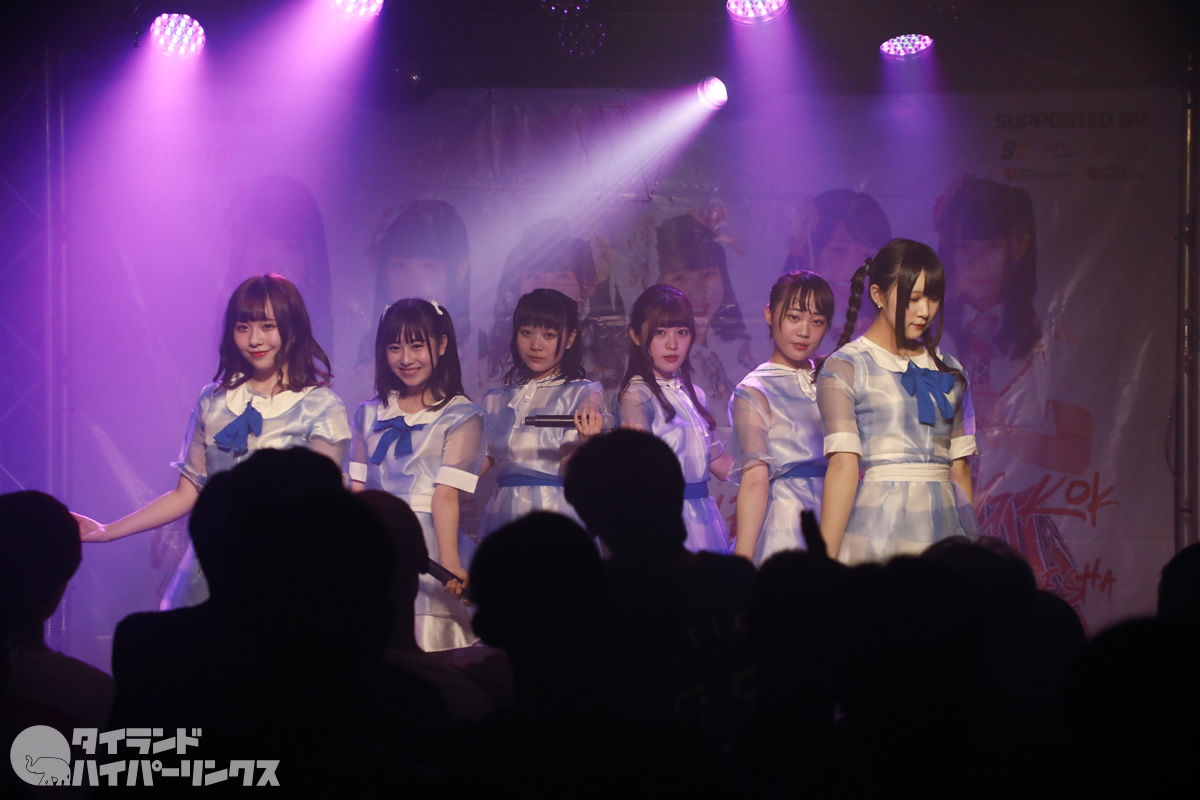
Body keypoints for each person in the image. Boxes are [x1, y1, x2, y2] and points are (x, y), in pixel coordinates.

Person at [72, 275, 350, 608]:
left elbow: (324, 509)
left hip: (284, 571)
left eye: (268, 326)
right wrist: (106, 531)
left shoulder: (321, 408)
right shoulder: (213, 401)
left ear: (293, 327)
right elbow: (187, 493)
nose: (255, 339)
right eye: (243, 327)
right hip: (212, 568)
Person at [817, 239, 979, 564]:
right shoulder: (846, 367)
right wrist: (823, 563)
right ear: (877, 295)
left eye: (933, 298)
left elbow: (959, 467)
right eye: (913, 298)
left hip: (946, 526)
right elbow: (843, 466)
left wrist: (973, 549)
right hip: (879, 525)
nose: (924, 311)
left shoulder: (950, 369)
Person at [349, 298, 485, 652]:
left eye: (416, 345)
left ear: (441, 344)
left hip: (429, 541)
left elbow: (445, 494)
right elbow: (357, 489)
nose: (406, 359)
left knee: (429, 652)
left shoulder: (462, 415)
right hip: (374, 542)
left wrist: (449, 562)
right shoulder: (367, 414)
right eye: (395, 347)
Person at [480, 289, 607, 539]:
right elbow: (472, 470)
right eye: (526, 332)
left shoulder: (583, 393)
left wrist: (586, 444)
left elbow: (572, 473)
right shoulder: (495, 400)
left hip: (556, 516)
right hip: (503, 516)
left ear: (570, 339)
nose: (535, 345)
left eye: (549, 335)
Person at [617, 285, 732, 553]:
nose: (672, 344)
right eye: (660, 332)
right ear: (636, 335)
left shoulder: (694, 394)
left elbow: (722, 466)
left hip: (703, 516)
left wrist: (773, 463)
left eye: (681, 332)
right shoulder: (636, 394)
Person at [729, 270, 832, 564]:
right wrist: (742, 565)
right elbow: (755, 479)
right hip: (787, 522)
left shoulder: (834, 378)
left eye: (817, 321)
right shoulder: (754, 390)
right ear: (769, 314)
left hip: (840, 510)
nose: (804, 331)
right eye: (794, 317)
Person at [484, 218, 626, 392]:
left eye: (563, 277)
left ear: (590, 284)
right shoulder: (500, 364)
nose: (548, 288)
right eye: (534, 276)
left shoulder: (603, 364)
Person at [784, 189, 892, 350]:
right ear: (808, 252)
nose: (852, 271)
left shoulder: (888, 333)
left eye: (868, 255)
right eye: (838, 250)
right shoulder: (778, 328)